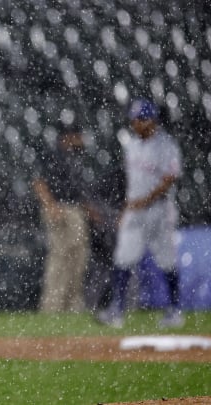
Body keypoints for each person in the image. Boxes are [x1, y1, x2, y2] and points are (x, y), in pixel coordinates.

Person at [97, 98, 184, 328]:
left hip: (159, 211)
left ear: (151, 120)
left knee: (167, 261)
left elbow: (169, 179)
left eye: (140, 119)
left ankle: (174, 310)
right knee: (122, 259)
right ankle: (117, 310)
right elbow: (132, 182)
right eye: (134, 119)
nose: (135, 123)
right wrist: (127, 208)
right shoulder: (132, 145)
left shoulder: (167, 145)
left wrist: (145, 200)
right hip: (135, 210)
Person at [31, 126, 90, 312]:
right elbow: (38, 182)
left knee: (78, 258)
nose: (81, 140)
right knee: (59, 257)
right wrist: (51, 205)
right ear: (69, 136)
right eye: (78, 136)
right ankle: (52, 306)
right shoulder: (53, 155)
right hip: (60, 208)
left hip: (73, 209)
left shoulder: (75, 157)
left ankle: (72, 305)